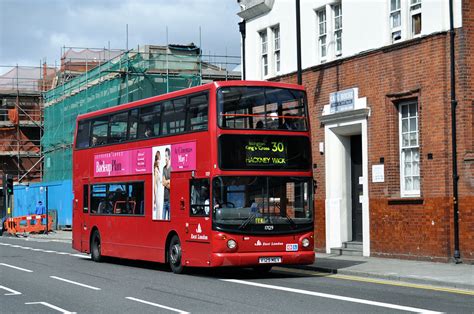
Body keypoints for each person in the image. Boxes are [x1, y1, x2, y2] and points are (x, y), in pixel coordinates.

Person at [162, 147, 171, 220]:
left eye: (166, 156)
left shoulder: (172, 168)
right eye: (164, 156)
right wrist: (169, 181)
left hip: (170, 200)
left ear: (169, 156)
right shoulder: (164, 168)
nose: (165, 158)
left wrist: (166, 182)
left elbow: (172, 185)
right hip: (164, 200)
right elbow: (163, 182)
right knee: (162, 220)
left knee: (169, 220)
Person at [153, 150, 163, 219]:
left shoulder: (159, 169)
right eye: (158, 159)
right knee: (158, 211)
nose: (159, 161)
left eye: (160, 159)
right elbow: (155, 184)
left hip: (161, 192)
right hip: (158, 194)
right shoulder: (156, 169)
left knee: (160, 211)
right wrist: (155, 198)